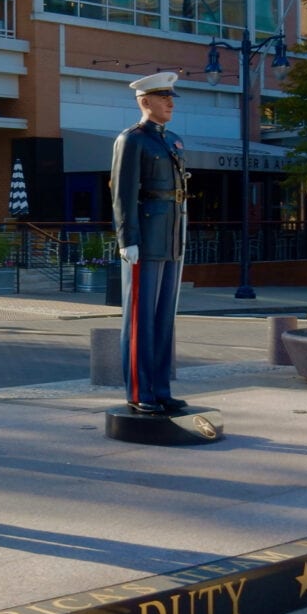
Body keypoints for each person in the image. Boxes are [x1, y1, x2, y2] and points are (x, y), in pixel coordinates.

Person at [111, 72, 189, 415]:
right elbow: (122, 193)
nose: (170, 103)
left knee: (164, 319)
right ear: (145, 102)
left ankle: (161, 388)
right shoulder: (132, 140)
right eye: (163, 98)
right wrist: (127, 239)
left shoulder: (170, 140)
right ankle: (141, 391)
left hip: (171, 236)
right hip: (145, 235)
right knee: (141, 319)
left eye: (171, 97)